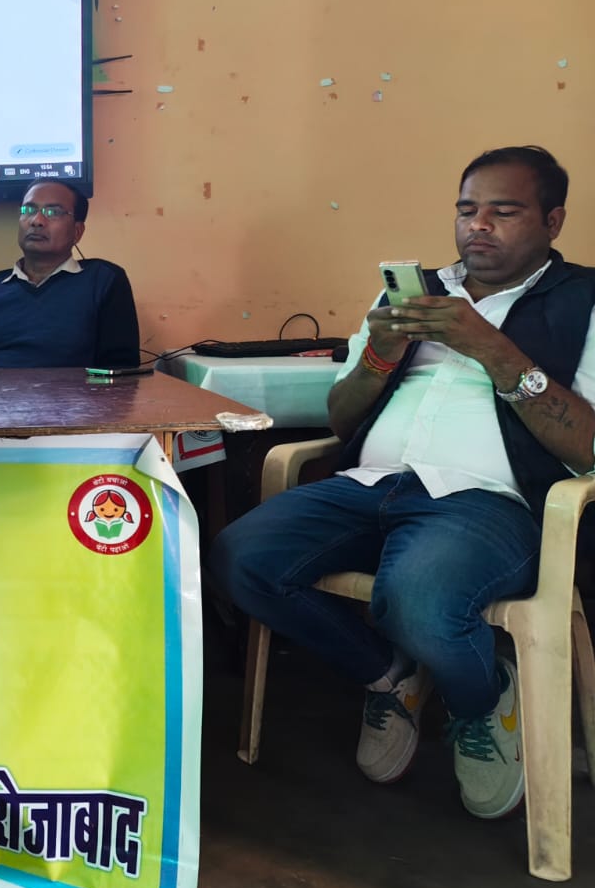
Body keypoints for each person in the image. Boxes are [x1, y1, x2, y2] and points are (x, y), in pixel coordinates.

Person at [212, 145, 595, 820]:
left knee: (416, 599)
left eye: (504, 211)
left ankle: (481, 700)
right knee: (239, 557)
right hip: (370, 483)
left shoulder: (583, 301)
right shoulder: (414, 292)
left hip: (488, 501)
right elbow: (341, 416)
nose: (479, 226)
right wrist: (380, 356)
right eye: (467, 210)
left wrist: (492, 349)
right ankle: (390, 676)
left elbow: (587, 446)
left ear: (553, 220)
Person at [0, 180, 140, 369]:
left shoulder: (103, 281)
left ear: (77, 232)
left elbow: (120, 371)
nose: (36, 220)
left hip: (71, 400)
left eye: (53, 212)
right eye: (28, 210)